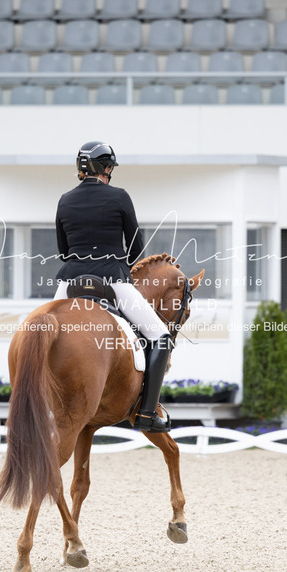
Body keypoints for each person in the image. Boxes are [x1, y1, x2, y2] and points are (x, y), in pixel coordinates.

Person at [54, 141, 172, 433]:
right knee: (160, 336)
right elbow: (135, 249)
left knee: (37, 332)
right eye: (109, 167)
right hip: (112, 280)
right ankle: (147, 413)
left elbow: (64, 250)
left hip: (69, 283)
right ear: (105, 168)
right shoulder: (119, 197)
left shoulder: (65, 200)